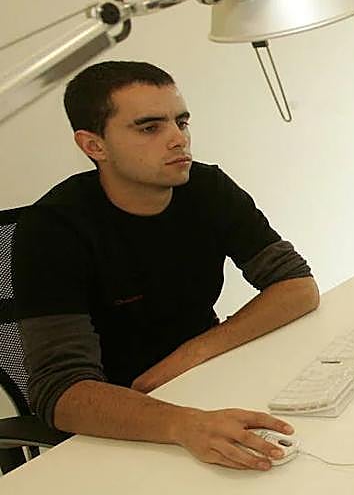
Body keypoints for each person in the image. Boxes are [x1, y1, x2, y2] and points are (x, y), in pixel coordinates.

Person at [13, 61, 320, 471]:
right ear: (94, 146)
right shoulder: (52, 229)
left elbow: (297, 286)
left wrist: (192, 353)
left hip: (203, 383)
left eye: (181, 121)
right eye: (149, 127)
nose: (179, 139)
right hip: (116, 425)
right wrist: (183, 423)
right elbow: (61, 393)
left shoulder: (207, 188)